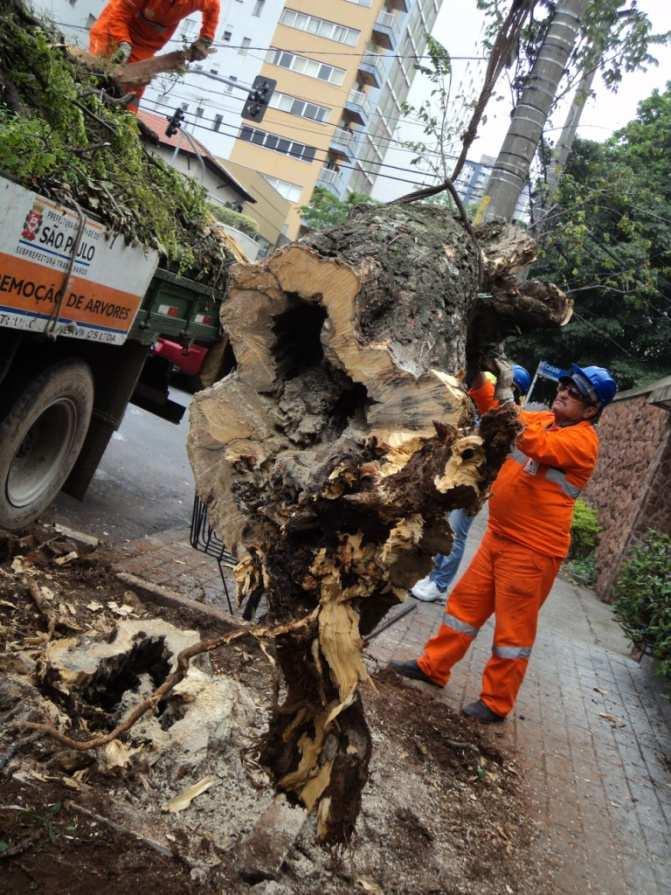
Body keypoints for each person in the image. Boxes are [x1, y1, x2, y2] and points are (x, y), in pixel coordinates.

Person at [391, 360, 617, 723]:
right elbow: (502, 415)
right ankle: (433, 666)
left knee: (513, 632)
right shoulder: (545, 420)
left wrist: (510, 399)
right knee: (464, 609)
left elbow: (530, 441)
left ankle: (496, 703)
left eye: (577, 393)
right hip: (500, 536)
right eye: (565, 384)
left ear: (591, 410)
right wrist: (482, 379)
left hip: (533, 550)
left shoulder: (582, 442)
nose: (564, 391)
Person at [411, 363, 532, 604]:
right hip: (464, 474)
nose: (497, 388)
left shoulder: (510, 417)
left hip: (477, 482)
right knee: (446, 526)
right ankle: (433, 576)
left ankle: (440, 584)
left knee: (456, 532)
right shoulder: (497, 410)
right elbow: (480, 389)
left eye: (503, 385)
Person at [89, 0, 220, 104]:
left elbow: (213, 6)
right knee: (100, 73)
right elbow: (118, 15)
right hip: (112, 31)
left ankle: (123, 125)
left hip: (146, 44)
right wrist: (122, 42)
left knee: (133, 88)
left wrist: (205, 39)